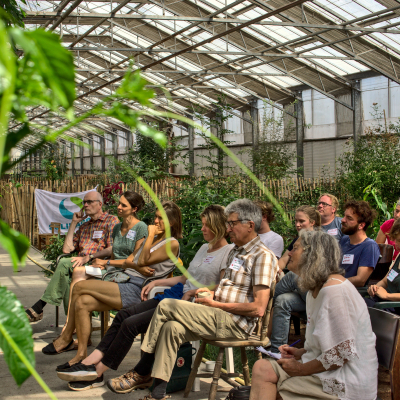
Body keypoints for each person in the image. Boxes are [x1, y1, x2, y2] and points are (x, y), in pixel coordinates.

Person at [70, 198, 277, 400]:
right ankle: (158, 393)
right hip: (215, 312)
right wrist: (200, 293)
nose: (229, 228)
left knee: (165, 306)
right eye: (228, 223)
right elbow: (221, 287)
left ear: (250, 225)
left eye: (232, 223)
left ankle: (141, 370)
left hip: (234, 322)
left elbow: (258, 308)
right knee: (170, 328)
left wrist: (214, 302)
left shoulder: (262, 256)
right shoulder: (238, 252)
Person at [56, 205, 234, 392]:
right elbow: (186, 277)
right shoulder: (205, 247)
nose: (202, 228)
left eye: (206, 225)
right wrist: (157, 282)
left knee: (131, 324)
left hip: (188, 305)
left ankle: (97, 372)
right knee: (123, 316)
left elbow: (220, 288)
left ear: (219, 226)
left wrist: (194, 292)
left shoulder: (227, 252)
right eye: (203, 224)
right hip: (175, 295)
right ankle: (89, 361)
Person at [42, 200, 181, 369]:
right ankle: (81, 355)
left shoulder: (171, 243)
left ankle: (65, 338)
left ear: (171, 223)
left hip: (139, 289)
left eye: (160, 219)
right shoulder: (154, 240)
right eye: (155, 217)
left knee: (79, 287)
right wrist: (139, 264)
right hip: (126, 278)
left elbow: (142, 259)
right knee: (82, 302)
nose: (155, 222)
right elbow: (129, 261)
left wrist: (149, 238)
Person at [250, 230, 378, 400]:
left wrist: (301, 369)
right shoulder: (314, 289)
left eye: (295, 248)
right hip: (328, 369)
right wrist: (301, 352)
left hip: (346, 379)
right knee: (262, 368)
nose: (289, 253)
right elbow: (328, 344)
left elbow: (340, 355)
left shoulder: (334, 291)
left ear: (312, 255)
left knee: (279, 387)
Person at [26, 190, 119, 323]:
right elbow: (67, 249)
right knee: (69, 282)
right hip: (80, 266)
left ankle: (40, 306)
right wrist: (74, 223)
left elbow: (112, 248)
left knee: (64, 263)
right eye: (84, 202)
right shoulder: (84, 226)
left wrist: (89, 256)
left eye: (89, 202)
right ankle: (76, 326)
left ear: (100, 204)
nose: (85, 205)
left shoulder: (111, 221)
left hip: (98, 265)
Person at [268, 206, 321, 354]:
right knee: (283, 300)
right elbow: (283, 260)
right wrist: (277, 270)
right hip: (303, 294)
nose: (297, 224)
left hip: (317, 293)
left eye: (301, 221)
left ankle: (265, 298)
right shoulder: (298, 240)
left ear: (312, 222)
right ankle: (276, 351)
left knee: (292, 276)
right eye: (296, 221)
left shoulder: (319, 240)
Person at [340, 200, 380, 287]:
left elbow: (360, 280)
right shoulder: (344, 240)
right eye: (344, 216)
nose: (343, 220)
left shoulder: (369, 246)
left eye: (349, 218)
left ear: (361, 225)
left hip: (352, 293)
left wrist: (336, 283)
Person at [366, 218, 400, 313]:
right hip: (382, 302)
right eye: (395, 240)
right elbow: (386, 281)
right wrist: (375, 287)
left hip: (393, 307)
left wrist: (386, 296)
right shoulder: (399, 255)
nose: (396, 244)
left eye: (399, 241)